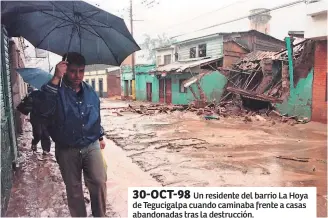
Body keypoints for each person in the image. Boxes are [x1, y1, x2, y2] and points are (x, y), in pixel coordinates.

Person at [39, 52, 107, 217]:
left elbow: (95, 116)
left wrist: (100, 136)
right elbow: (43, 110)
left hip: (90, 145)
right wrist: (56, 77)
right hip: (66, 149)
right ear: (65, 70)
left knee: (99, 181)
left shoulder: (90, 92)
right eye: (73, 71)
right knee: (74, 190)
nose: (78, 75)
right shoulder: (55, 90)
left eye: (81, 71)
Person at [17, 89, 51, 155]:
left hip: (46, 117)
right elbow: (26, 106)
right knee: (38, 133)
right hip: (35, 117)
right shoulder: (34, 93)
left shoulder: (50, 94)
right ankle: (34, 143)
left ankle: (46, 150)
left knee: (45, 134)